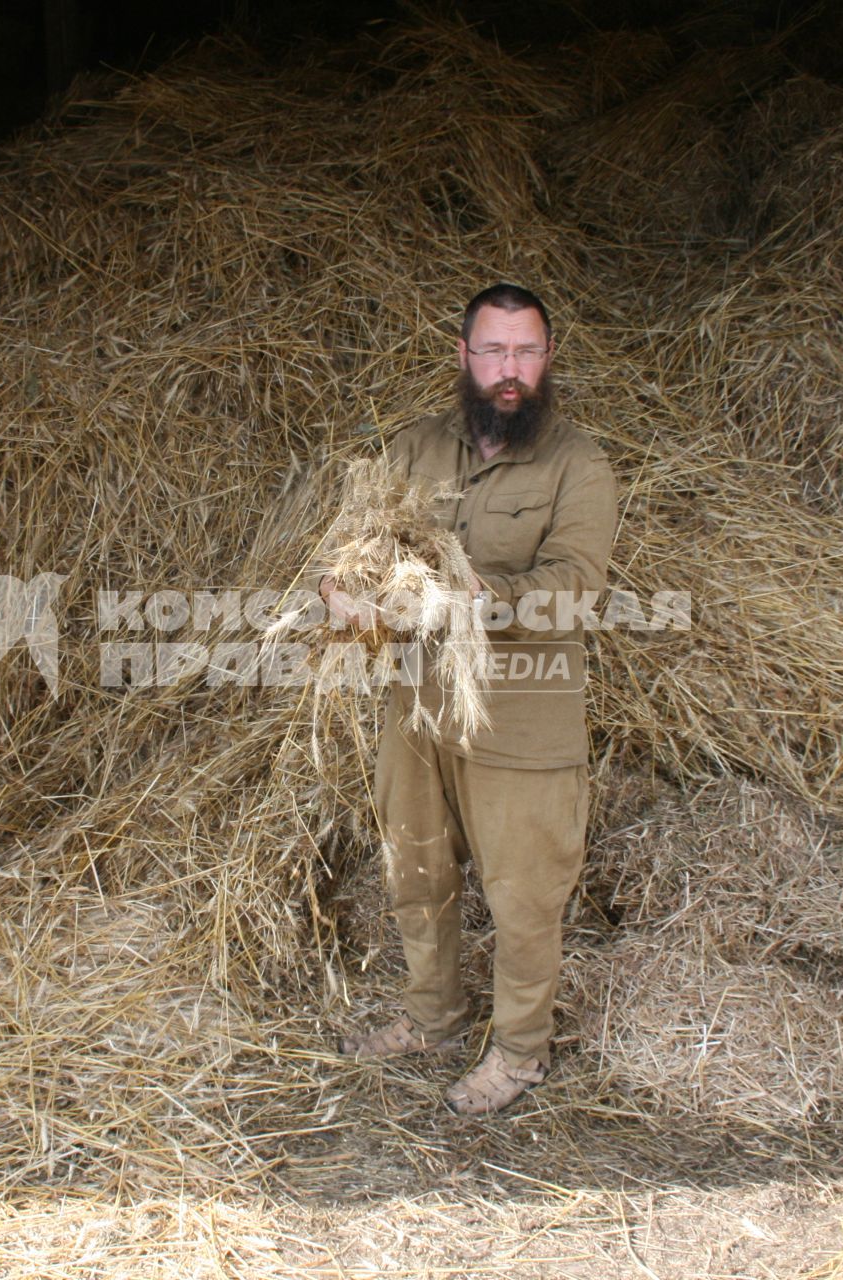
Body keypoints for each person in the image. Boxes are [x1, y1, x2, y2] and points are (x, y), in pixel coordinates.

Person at [320, 283, 618, 1115]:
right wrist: (343, 593)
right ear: (464, 356)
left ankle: (520, 1053)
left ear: (548, 359)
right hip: (416, 706)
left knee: (523, 893)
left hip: (521, 714)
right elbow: (359, 546)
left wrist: (469, 595)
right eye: (493, 351)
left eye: (526, 352)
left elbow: (578, 587)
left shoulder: (577, 464)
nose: (509, 371)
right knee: (416, 869)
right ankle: (434, 1016)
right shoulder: (416, 448)